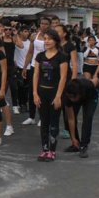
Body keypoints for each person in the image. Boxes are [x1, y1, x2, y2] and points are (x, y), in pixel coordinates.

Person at [33, 29, 68, 162]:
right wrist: (35, 93)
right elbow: (36, 75)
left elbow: (63, 77)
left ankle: (52, 151)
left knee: (54, 123)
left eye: (49, 39)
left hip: (55, 93)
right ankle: (44, 149)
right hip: (41, 93)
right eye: (45, 39)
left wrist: (58, 96)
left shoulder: (61, 57)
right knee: (44, 123)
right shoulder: (40, 56)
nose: (46, 41)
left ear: (56, 41)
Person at [22, 17, 50, 126]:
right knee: (32, 92)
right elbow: (30, 52)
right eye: (42, 23)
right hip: (34, 66)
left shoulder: (51, 38)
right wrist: (25, 67)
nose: (44, 25)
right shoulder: (34, 36)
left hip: (46, 67)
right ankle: (31, 117)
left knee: (43, 93)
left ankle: (42, 117)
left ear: (49, 25)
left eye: (46, 24)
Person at [63, 78, 99, 158]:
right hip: (79, 96)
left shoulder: (88, 85)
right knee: (66, 119)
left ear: (79, 94)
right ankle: (76, 144)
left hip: (91, 97)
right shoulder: (68, 96)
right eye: (70, 97)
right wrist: (73, 138)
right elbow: (71, 119)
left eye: (73, 97)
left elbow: (96, 80)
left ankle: (83, 146)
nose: (71, 99)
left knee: (87, 118)